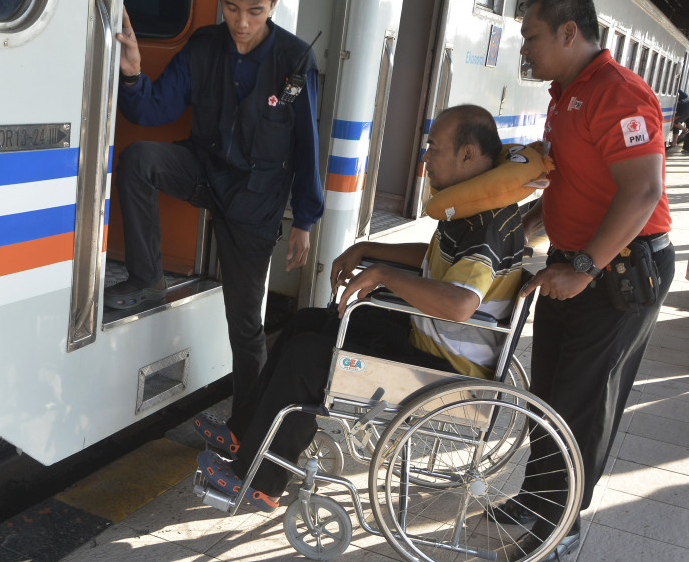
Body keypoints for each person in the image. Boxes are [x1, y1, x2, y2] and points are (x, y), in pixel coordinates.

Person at [192, 105, 526, 512]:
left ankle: (260, 483)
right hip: (425, 337)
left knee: (307, 360)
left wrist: (383, 274)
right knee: (306, 323)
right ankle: (246, 434)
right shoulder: (475, 205)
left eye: (433, 148)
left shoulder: (487, 224)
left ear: (468, 154)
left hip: (444, 366)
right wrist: (368, 249)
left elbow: (459, 304)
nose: (425, 158)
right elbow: (434, 260)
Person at [108, 0, 324, 419]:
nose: (241, 23)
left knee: (246, 327)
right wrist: (134, 75)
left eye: (255, 10)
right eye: (231, 7)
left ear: (274, 2)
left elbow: (307, 149)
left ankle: (247, 427)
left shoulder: (293, 61)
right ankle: (148, 278)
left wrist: (305, 220)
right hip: (204, 171)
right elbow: (153, 109)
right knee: (139, 158)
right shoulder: (204, 46)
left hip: (255, 201)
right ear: (221, 0)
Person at [500, 0, 674, 562]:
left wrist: (584, 266)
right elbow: (569, 185)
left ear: (569, 32)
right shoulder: (566, 92)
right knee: (548, 391)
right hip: (572, 263)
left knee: (582, 399)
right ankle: (535, 496)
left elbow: (643, 191)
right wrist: (516, 235)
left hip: (620, 269)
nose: (526, 47)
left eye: (533, 36)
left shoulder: (619, 93)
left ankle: (561, 522)